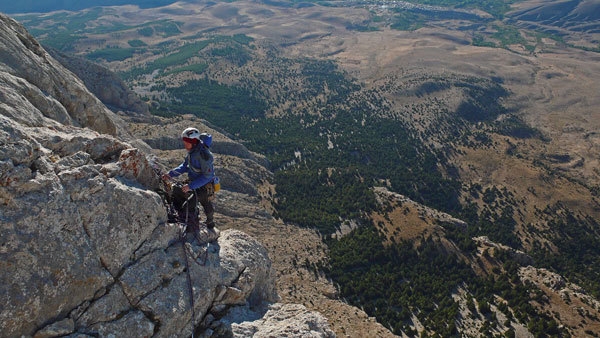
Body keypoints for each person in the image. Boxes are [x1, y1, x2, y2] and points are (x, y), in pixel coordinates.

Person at [163, 127, 216, 229]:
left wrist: (190, 186)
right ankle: (182, 216)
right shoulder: (192, 152)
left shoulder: (204, 155)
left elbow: (208, 176)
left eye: (186, 142)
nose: (184, 144)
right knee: (177, 192)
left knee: (196, 203)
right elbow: (184, 167)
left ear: (193, 141)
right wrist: (170, 174)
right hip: (194, 183)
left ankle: (203, 223)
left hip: (204, 186)